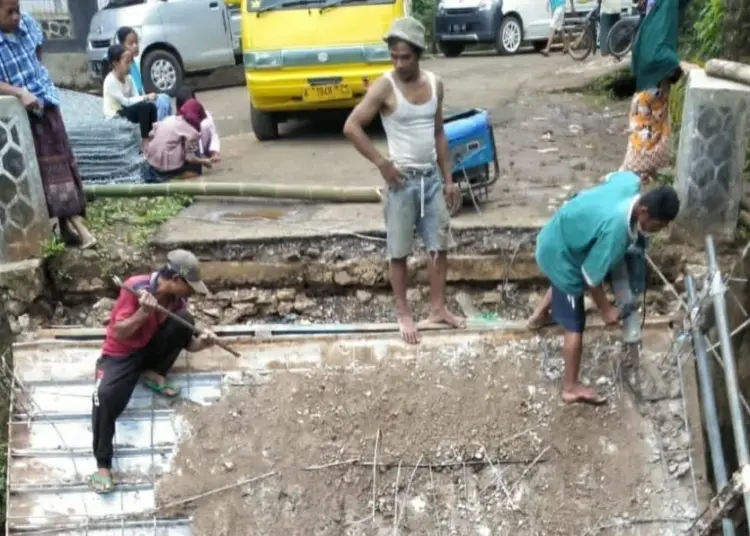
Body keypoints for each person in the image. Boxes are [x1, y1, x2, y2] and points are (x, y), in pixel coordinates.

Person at [343, 17, 464, 345]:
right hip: (401, 182)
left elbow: (438, 131)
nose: (398, 63)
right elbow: (352, 126)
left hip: (432, 180)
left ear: (419, 53)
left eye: (405, 57)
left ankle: (438, 308)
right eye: (394, 56)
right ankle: (403, 313)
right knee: (398, 252)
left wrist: (449, 178)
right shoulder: (385, 86)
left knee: (439, 245)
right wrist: (382, 164)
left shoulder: (436, 84)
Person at [527, 171, 679, 405]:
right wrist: (607, 310)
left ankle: (538, 316)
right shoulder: (616, 233)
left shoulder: (631, 183)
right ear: (644, 212)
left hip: (561, 231)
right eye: (657, 225)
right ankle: (570, 387)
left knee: (565, 279)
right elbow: (591, 277)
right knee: (575, 322)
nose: (657, 231)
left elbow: (614, 177)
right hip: (559, 252)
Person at [90, 249, 216, 493]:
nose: (190, 293)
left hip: (148, 349)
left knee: (185, 320)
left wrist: (204, 344)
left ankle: (152, 371)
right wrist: (143, 312)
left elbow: (187, 341)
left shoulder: (178, 301)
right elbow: (119, 331)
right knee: (103, 397)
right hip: (121, 355)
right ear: (176, 280)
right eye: (188, 286)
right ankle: (103, 465)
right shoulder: (135, 287)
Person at [0, 0, 96, 249]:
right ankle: (77, 227)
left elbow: (37, 54)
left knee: (64, 162)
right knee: (48, 173)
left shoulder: (28, 24)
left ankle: (67, 227)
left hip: (47, 103)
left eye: (17, 10)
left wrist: (38, 83)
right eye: (9, 12)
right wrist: (20, 92)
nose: (16, 17)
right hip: (23, 119)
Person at [620, 66, 683, 181]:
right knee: (652, 136)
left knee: (640, 141)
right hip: (646, 127)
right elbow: (660, 115)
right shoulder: (657, 91)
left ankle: (636, 171)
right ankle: (645, 170)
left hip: (640, 123)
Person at [144, 98, 214, 182]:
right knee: (196, 168)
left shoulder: (170, 118)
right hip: (167, 166)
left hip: (152, 161)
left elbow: (151, 134)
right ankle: (174, 177)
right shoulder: (192, 132)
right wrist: (204, 161)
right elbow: (189, 158)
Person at [102, 44, 157, 150]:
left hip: (126, 111)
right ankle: (145, 143)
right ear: (116, 64)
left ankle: (152, 136)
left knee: (150, 106)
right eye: (127, 62)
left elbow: (136, 98)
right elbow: (125, 102)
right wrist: (145, 97)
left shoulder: (129, 79)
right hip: (115, 115)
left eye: (130, 62)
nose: (130, 65)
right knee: (144, 107)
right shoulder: (110, 80)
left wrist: (146, 99)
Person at [115, 26, 172, 121]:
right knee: (161, 103)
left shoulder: (136, 64)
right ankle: (156, 128)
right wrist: (145, 98)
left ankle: (166, 127)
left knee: (165, 98)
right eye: (131, 44)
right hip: (133, 103)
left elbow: (141, 89)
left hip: (142, 98)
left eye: (136, 42)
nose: (135, 46)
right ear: (122, 45)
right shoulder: (123, 68)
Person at [175, 87, 221, 163]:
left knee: (206, 124)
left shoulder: (205, 115)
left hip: (201, 147)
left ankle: (206, 153)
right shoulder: (178, 117)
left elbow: (214, 134)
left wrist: (215, 153)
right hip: (186, 150)